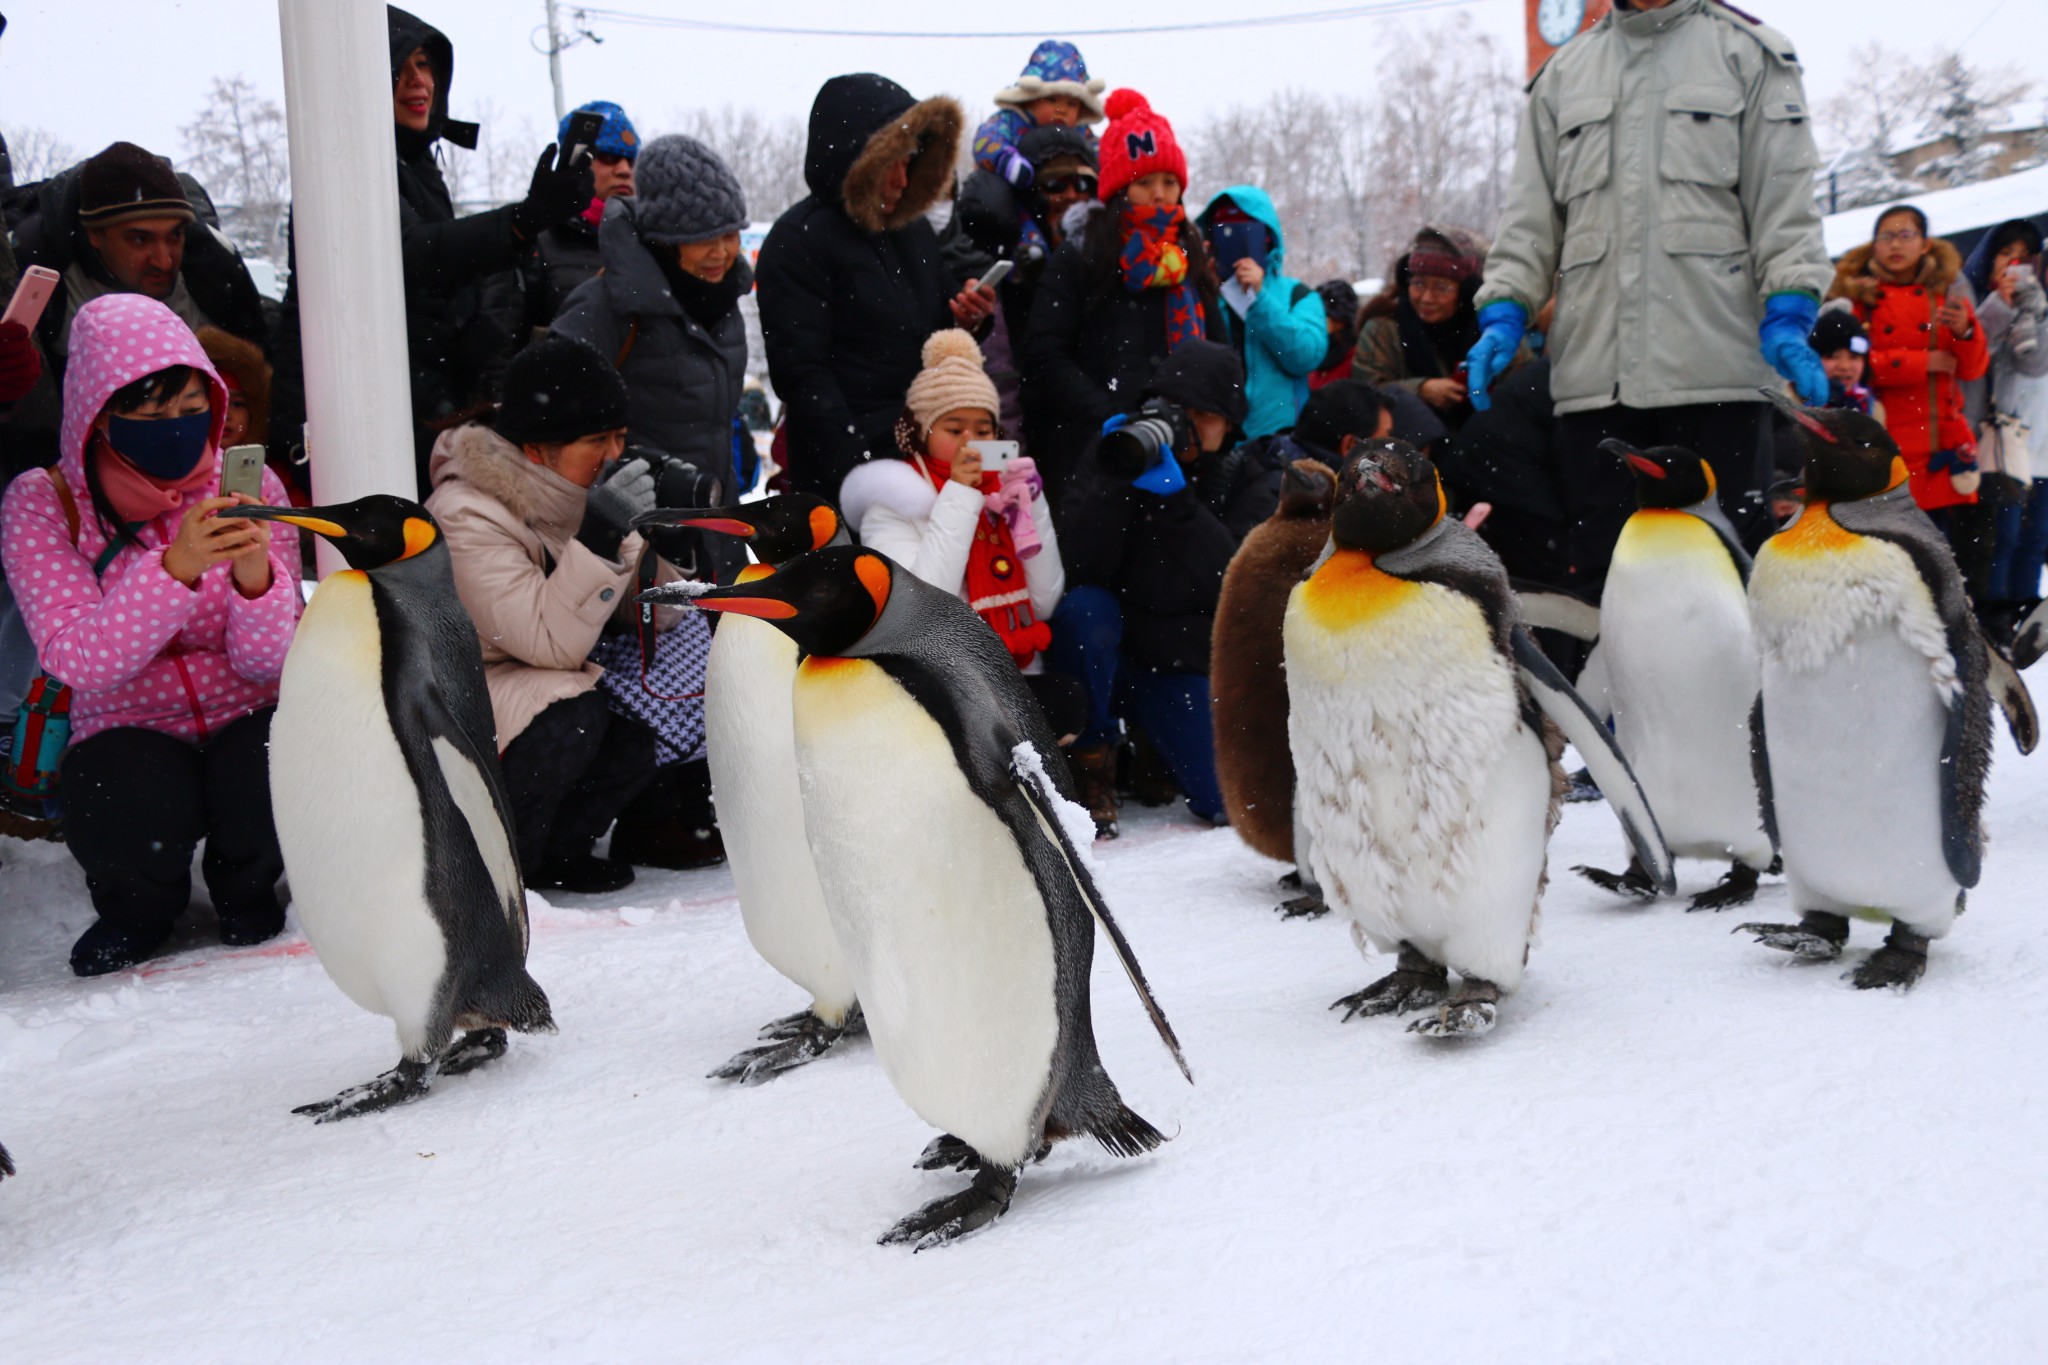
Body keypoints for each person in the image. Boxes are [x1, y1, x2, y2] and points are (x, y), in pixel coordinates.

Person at [1470, 0, 1833, 595]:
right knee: (1609, 588)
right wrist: (1506, 308)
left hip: (1717, 381)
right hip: (1596, 389)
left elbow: (1785, 205)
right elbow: (1529, 219)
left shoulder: (1747, 53)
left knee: (1728, 586)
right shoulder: (1566, 73)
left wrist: (1790, 308)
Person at [0, 294, 303, 975]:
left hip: (240, 704)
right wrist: (176, 570)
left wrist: (256, 576)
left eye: (191, 406)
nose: (175, 428)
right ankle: (138, 907)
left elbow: (268, 663)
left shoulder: (250, 485)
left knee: (280, 753)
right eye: (148, 413)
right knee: (124, 793)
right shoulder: (45, 502)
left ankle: (247, 887)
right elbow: (80, 657)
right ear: (98, 415)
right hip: (124, 720)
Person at [270, 5, 596, 491]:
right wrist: (522, 223)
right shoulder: (345, 162)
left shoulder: (415, 165)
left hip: (413, 410)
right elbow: (405, 258)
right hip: (353, 420)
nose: (417, 81)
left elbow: (434, 285)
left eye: (425, 64)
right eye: (397, 67)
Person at [423, 335, 667, 894]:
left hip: (538, 677)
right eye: (596, 440)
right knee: (574, 717)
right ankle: (508, 864)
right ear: (537, 450)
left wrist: (652, 536)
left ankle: (565, 848)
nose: (614, 455)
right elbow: (546, 642)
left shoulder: (567, 493)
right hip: (469, 692)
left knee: (642, 726)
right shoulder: (466, 514)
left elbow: (661, 619)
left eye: (621, 437)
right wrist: (605, 535)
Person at [1053, 338, 1266, 836]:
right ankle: (1092, 760)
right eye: (1175, 410)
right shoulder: (1120, 454)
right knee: (1086, 610)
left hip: (1176, 657)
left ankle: (1154, 748)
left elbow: (1229, 582)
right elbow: (1076, 566)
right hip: (1115, 643)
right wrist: (1113, 481)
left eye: (1202, 414)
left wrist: (1178, 503)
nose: (1184, 426)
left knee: (1226, 801)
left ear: (1231, 423)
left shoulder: (1249, 477)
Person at [756, 74, 993, 499]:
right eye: (892, 164)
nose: (903, 180)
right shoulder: (799, 239)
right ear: (857, 160)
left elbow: (936, 333)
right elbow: (804, 376)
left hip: (927, 459)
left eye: (910, 162)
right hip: (847, 475)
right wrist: (864, 473)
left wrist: (969, 317)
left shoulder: (911, 230)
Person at [838, 329, 1083, 740]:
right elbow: (919, 613)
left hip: (1009, 675)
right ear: (920, 431)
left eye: (983, 430)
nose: (971, 442)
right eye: (954, 429)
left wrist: (1032, 508)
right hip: (934, 680)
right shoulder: (892, 502)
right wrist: (960, 496)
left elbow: (1043, 605)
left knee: (1066, 700)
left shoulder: (1003, 496)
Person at [552, 134, 752, 581]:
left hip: (719, 536)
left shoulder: (723, 302)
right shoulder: (608, 307)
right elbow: (549, 424)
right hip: (636, 546)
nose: (720, 251)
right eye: (702, 238)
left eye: (729, 233)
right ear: (665, 238)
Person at [1020, 89, 1221, 500]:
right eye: (1145, 182)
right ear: (1118, 189)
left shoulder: (1190, 255)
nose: (1161, 194)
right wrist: (1108, 415)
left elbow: (1219, 354)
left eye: (1170, 181)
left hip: (1182, 450)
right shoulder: (1081, 255)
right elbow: (1044, 353)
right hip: (1096, 452)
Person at [1827, 205, 1990, 592]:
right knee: (1886, 558)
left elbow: (1971, 370)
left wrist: (1967, 333)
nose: (1894, 245)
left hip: (1939, 444)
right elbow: (1849, 365)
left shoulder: (1947, 298)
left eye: (1905, 235)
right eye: (1886, 236)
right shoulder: (1855, 300)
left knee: (1939, 559)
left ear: (1925, 243)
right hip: (1882, 439)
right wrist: (1923, 361)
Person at [11, 141, 270, 372]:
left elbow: (255, 378)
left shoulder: (213, 265)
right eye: (140, 239)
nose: (164, 260)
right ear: (94, 236)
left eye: (175, 236)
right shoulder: (41, 270)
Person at [487, 100, 640, 354]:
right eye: (609, 157)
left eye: (631, 160)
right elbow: (498, 346)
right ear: (577, 161)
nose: (624, 170)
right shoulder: (531, 240)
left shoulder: (650, 243)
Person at [1193, 187, 1328, 440]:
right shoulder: (1203, 295)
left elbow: (1305, 357)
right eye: (1222, 230)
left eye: (1245, 230)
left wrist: (1260, 298)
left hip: (1281, 439)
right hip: (1217, 440)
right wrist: (1206, 292)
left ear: (1266, 238)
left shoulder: (1298, 295)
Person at [1967, 220, 2048, 638]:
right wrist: (2003, 305)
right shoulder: (1973, 297)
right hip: (2000, 437)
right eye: (2006, 253)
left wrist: (2036, 310)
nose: (2015, 264)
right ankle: (1994, 613)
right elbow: (1973, 349)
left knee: (2034, 535)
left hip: (2036, 439)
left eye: (2025, 255)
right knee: (2003, 533)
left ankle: (2024, 610)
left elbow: (2036, 361)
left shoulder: (2038, 305)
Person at [971, 40, 1106, 265]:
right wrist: (1007, 162)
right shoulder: (1012, 120)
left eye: (1071, 103)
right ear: (1031, 98)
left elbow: (1099, 151)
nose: (1061, 110)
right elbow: (987, 140)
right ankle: (1029, 256)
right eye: (1052, 100)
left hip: (1063, 207)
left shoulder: (1080, 132)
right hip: (1018, 193)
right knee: (1016, 216)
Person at [1354, 228, 1492, 426]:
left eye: (1441, 287)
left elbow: (1516, 384)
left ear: (1463, 292)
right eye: (1418, 284)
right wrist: (1421, 389)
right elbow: (1365, 393)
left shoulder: (1487, 329)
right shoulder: (1383, 328)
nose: (1427, 298)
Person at [1307, 279, 1360, 390]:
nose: (1316, 320)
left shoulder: (1356, 360)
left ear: (1340, 321)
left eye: (1322, 315)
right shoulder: (1312, 354)